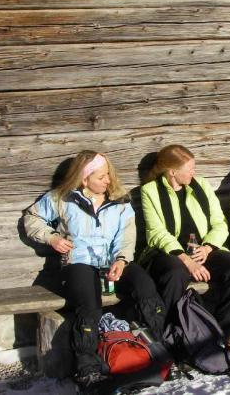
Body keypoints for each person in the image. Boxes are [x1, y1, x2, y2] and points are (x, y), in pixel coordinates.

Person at [23, 151, 167, 387]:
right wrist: (52, 238)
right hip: (78, 264)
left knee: (144, 285)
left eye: (108, 175)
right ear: (84, 178)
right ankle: (87, 367)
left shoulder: (120, 200)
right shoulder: (62, 198)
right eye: (101, 176)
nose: (108, 180)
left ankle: (156, 350)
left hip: (112, 262)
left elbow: (127, 235)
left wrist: (121, 260)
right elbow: (32, 218)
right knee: (89, 303)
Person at [139, 145, 230, 349]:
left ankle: (224, 330)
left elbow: (219, 223)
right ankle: (174, 335)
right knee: (175, 273)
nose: (193, 172)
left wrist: (207, 248)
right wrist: (187, 260)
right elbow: (156, 232)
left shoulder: (201, 186)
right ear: (172, 172)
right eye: (189, 168)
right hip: (168, 253)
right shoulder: (151, 192)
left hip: (202, 249)